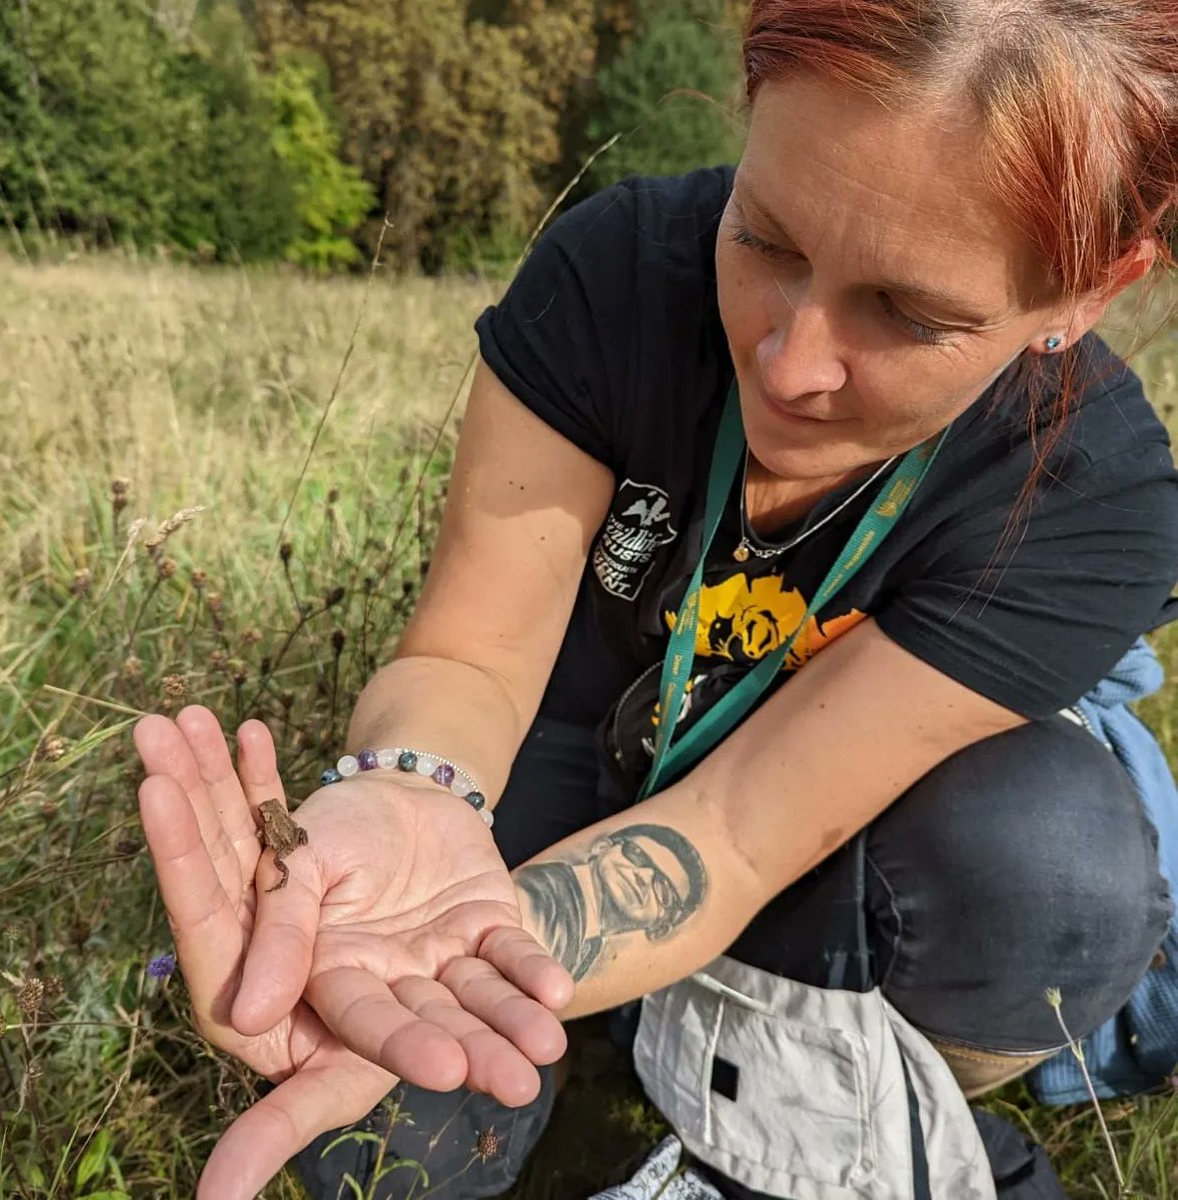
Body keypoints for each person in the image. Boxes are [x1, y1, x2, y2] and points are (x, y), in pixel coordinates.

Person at [132, 1, 1178, 1197]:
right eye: (765, 237)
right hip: (568, 749)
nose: (788, 364)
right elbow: (469, 659)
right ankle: (665, 1043)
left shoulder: (1095, 497)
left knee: (1049, 865)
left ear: (1087, 293)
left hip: (820, 836)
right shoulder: (613, 277)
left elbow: (740, 830)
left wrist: (535, 939)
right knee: (382, 1149)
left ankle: (820, 1076)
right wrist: (414, 794)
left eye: (910, 313)